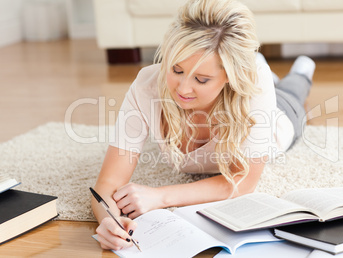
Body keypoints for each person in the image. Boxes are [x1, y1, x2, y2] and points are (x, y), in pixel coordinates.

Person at [91, 0, 316, 251]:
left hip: (281, 118)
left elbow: (244, 182)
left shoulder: (254, 85)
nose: (183, 89)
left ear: (230, 77)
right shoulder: (147, 86)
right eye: (176, 70)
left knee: (293, 92)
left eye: (201, 78)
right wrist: (108, 221)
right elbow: (107, 183)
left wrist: (160, 196)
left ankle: (302, 71)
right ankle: (255, 64)